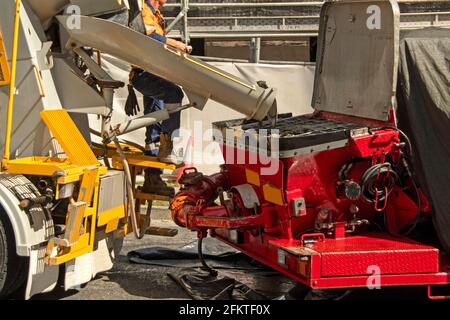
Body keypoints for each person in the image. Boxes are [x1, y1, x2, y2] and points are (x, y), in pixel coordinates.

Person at [128, 0, 189, 196]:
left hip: (151, 73)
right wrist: (176, 44)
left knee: (154, 127)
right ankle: (167, 144)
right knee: (174, 95)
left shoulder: (155, 13)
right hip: (146, 74)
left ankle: (153, 178)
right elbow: (150, 36)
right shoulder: (145, 10)